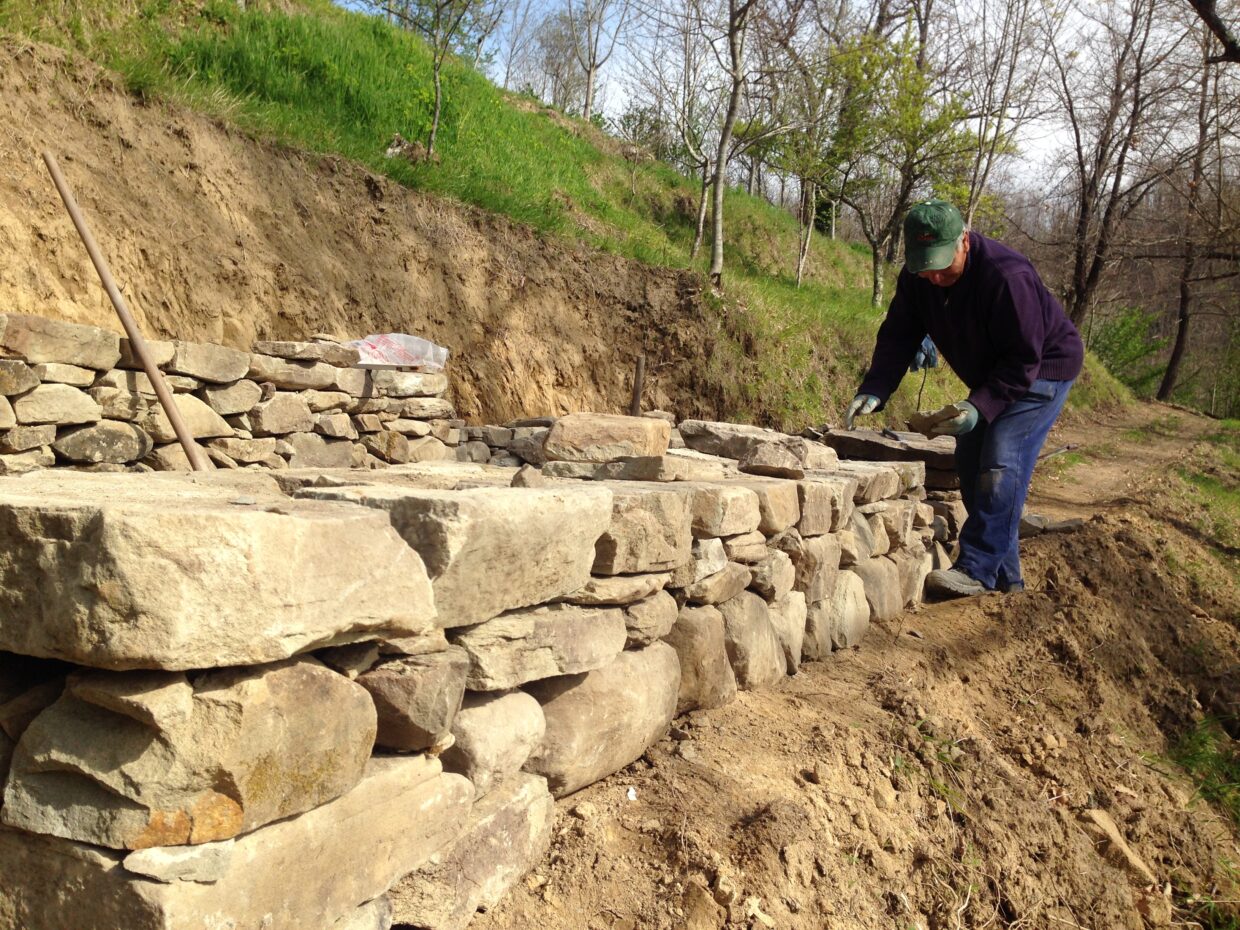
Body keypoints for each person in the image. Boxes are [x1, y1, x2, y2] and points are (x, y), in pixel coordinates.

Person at [845, 199, 1084, 597]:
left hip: (1042, 370)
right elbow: (899, 334)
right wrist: (876, 388)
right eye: (925, 267)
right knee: (971, 461)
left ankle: (976, 569)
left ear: (965, 242)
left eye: (943, 265)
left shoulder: (1007, 277)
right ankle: (1008, 584)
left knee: (1002, 458)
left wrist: (979, 406)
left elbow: (1023, 359)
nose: (935, 277)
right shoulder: (918, 278)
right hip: (995, 372)